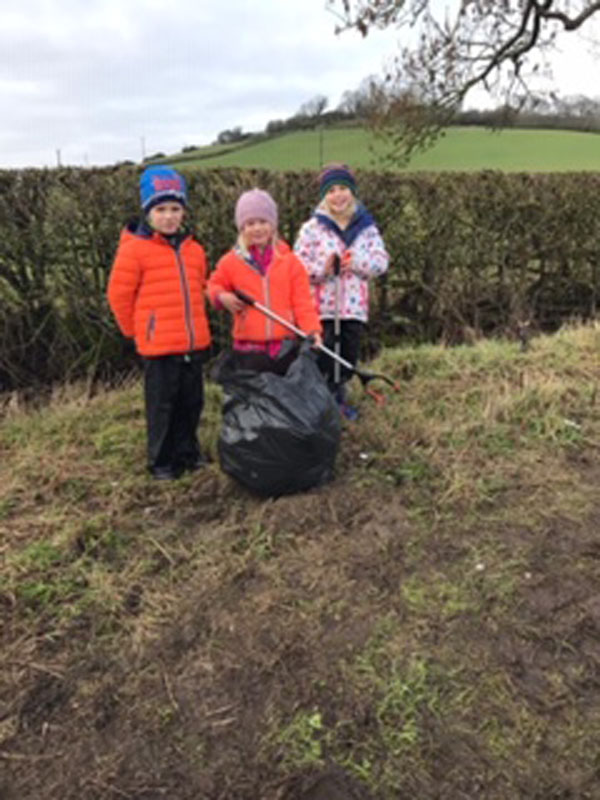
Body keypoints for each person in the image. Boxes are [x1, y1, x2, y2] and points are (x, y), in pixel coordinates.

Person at [107, 165, 211, 480]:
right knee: (162, 407)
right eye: (161, 209)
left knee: (191, 403)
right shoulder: (135, 251)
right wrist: (137, 332)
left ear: (183, 211)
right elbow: (119, 296)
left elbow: (200, 289)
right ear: (148, 212)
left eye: (175, 209)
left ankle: (188, 454)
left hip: (193, 342)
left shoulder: (195, 250)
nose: (169, 216)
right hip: (159, 345)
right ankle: (162, 462)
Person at [294, 162, 390, 420]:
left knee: (347, 356)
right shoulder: (312, 228)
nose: (338, 195)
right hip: (323, 309)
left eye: (343, 188)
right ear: (324, 196)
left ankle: (340, 398)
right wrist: (322, 269)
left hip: (353, 308)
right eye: (332, 190)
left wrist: (357, 262)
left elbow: (381, 262)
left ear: (353, 192)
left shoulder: (366, 228)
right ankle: (323, 405)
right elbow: (297, 267)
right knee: (326, 357)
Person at [207, 188, 322, 374]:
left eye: (263, 222)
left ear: (273, 225)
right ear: (242, 228)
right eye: (250, 223)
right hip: (248, 349)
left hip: (284, 347)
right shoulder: (231, 262)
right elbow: (213, 285)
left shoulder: (290, 262)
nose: (257, 228)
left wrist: (312, 330)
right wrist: (222, 297)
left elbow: (303, 302)